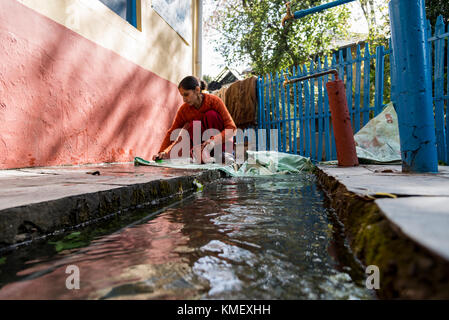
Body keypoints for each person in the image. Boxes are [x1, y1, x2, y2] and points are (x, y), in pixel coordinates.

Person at [152, 76, 236, 163]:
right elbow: (172, 132)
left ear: (197, 90)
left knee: (211, 115)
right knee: (193, 125)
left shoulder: (214, 102)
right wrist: (162, 152)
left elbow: (232, 128)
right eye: (182, 96)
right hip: (201, 150)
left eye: (186, 95)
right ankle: (201, 156)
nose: (184, 100)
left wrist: (213, 141)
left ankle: (222, 154)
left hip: (219, 145)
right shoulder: (184, 110)